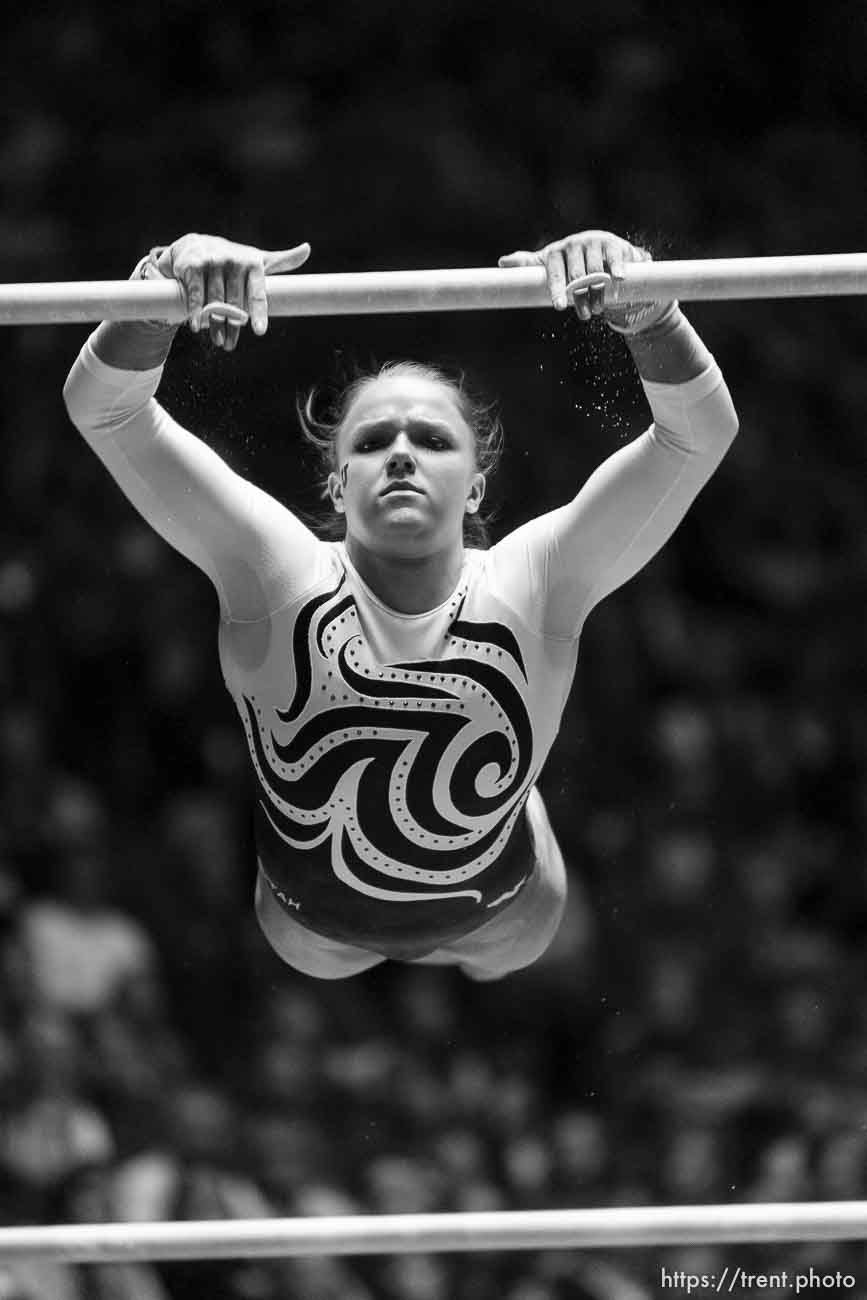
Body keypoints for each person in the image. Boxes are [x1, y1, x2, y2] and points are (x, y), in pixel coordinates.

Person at [62, 229, 738, 980]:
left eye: (433, 440)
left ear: (476, 487)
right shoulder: (275, 571)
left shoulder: (534, 579)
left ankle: (512, 795)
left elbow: (696, 437)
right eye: (375, 439)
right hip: (313, 935)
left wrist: (648, 309)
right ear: (336, 485)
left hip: (503, 917)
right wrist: (164, 277)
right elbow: (108, 413)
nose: (403, 453)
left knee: (494, 893)